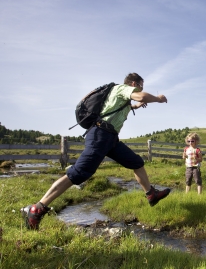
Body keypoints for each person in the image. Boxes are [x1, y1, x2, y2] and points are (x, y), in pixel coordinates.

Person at [21, 72, 171, 230]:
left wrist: (135, 106)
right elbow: (141, 97)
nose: (142, 88)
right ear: (134, 84)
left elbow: (126, 106)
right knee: (79, 172)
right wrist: (158, 98)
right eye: (141, 85)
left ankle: (151, 194)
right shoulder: (122, 88)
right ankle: (37, 208)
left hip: (111, 139)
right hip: (101, 135)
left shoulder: (122, 97)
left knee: (137, 162)